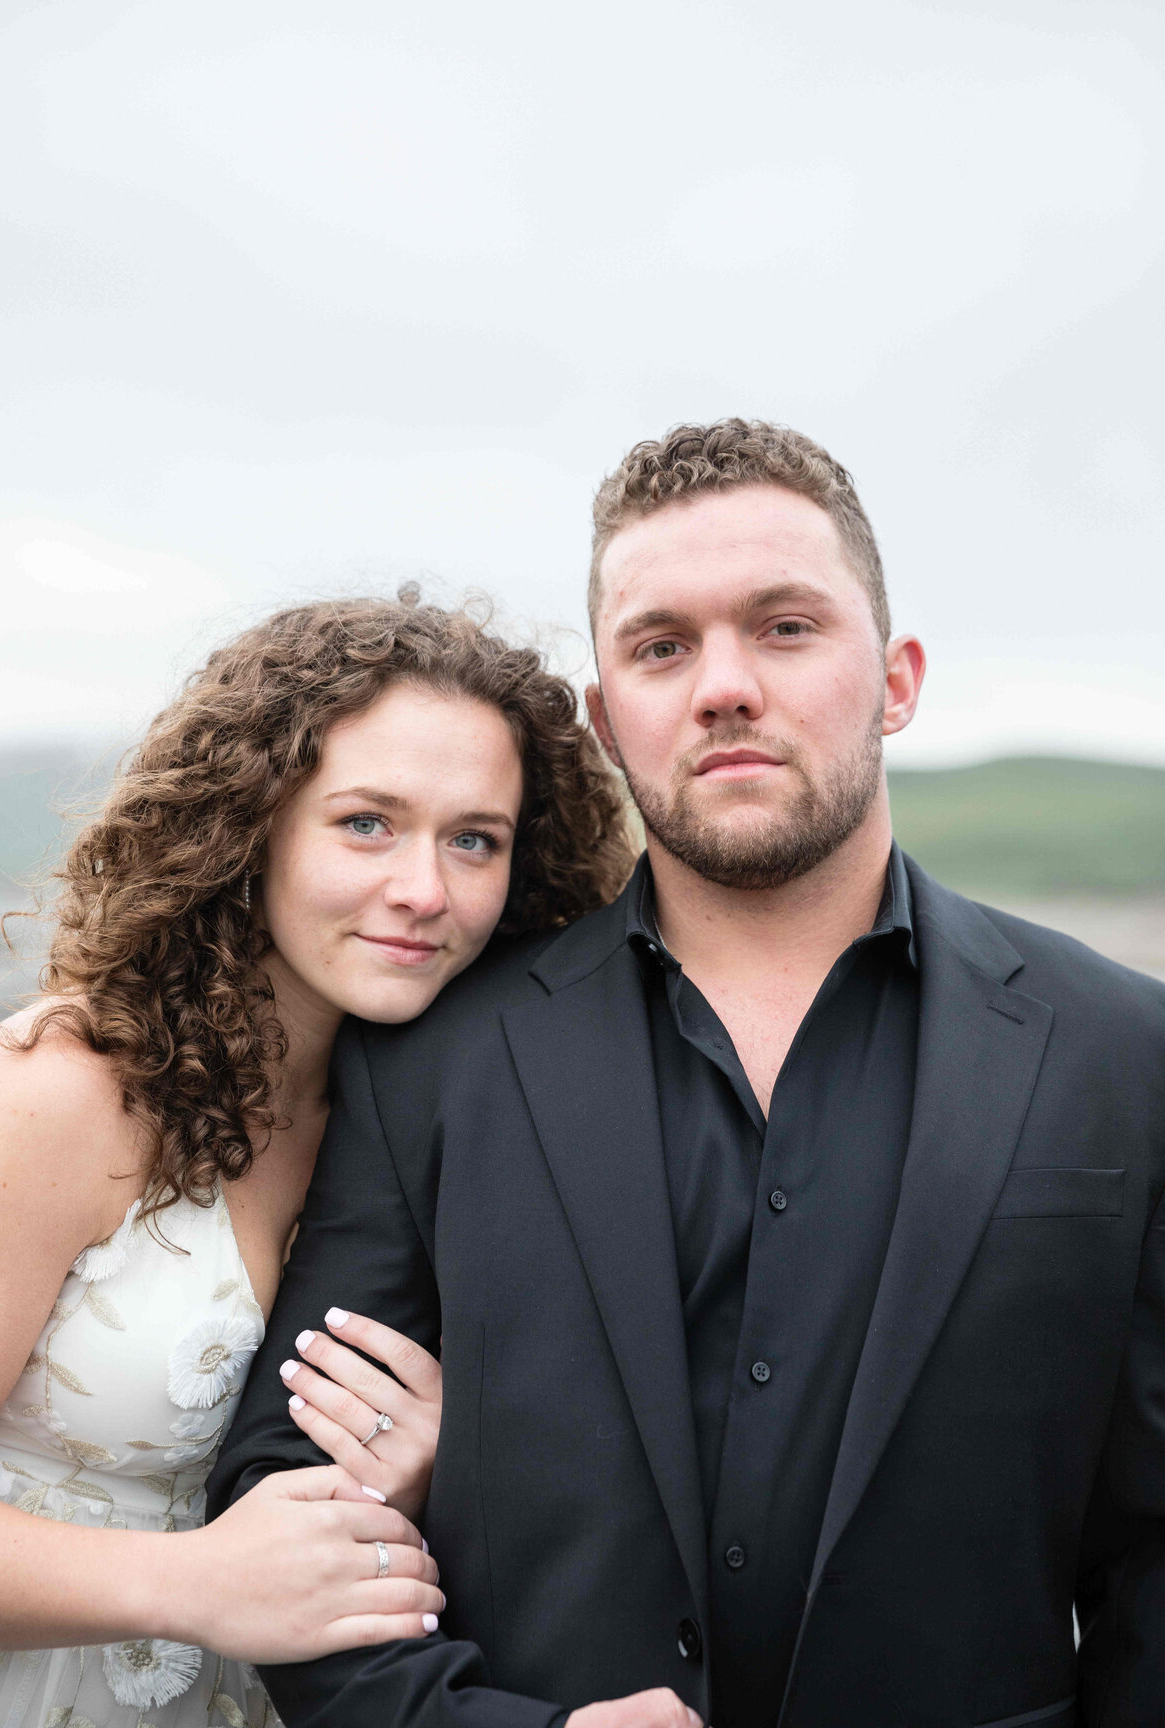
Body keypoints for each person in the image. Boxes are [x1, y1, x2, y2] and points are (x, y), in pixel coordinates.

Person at [212, 420, 1165, 1728]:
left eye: (784, 627)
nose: (723, 685)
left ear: (896, 681)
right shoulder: (434, 1058)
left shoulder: (1123, 1050)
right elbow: (282, 1496)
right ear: (608, 717)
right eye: (663, 646)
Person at [0, 594, 633, 1728]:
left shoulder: (453, 1131)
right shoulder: (58, 1093)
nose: (426, 891)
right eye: (367, 823)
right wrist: (194, 1584)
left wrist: (440, 1475)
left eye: (475, 838)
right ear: (249, 826)